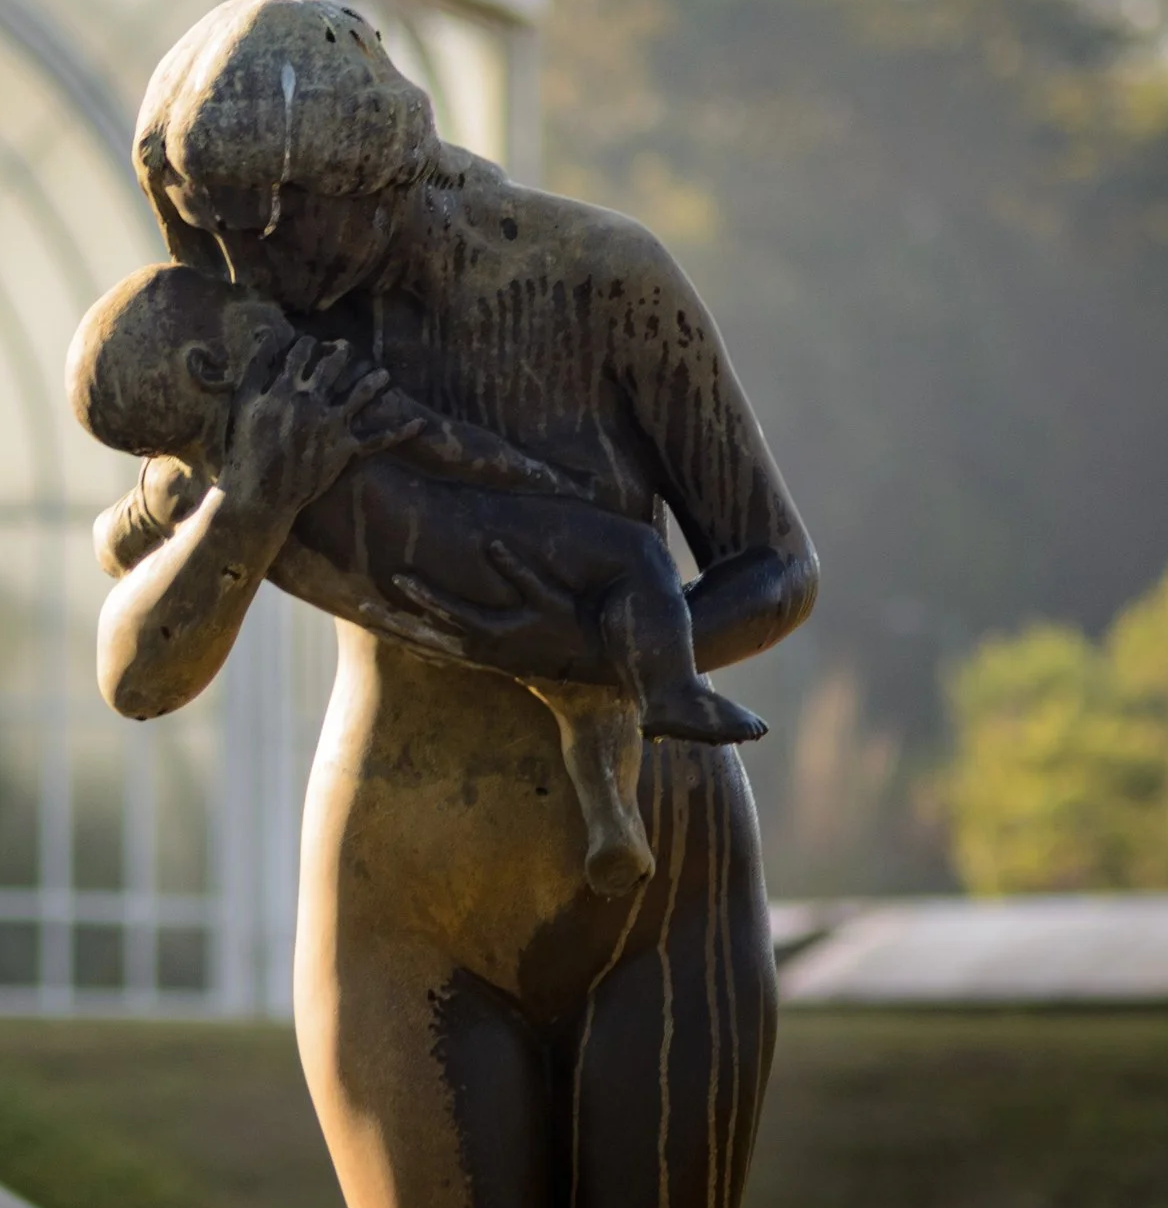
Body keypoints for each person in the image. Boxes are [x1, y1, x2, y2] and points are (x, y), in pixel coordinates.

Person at [92, 0, 817, 1208]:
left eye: (271, 223)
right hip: (403, 900)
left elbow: (774, 568)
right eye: (216, 232)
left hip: (658, 884)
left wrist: (597, 659)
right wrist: (247, 500)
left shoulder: (594, 278)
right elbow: (138, 670)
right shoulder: (249, 343)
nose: (245, 260)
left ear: (370, 168)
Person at [67, 260, 768, 896]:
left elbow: (126, 529)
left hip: (439, 593)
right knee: (631, 570)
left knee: (580, 686)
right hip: (475, 555)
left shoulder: (197, 469)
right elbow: (135, 679)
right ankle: (655, 717)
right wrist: (532, 477)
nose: (253, 282)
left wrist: (144, 526)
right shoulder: (314, 392)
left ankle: (614, 812)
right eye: (231, 296)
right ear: (209, 367)